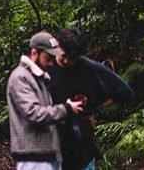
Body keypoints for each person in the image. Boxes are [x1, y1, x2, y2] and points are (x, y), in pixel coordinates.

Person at [47, 27, 134, 170]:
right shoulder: (45, 65)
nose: (67, 61)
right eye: (64, 55)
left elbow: (125, 92)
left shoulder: (88, 68)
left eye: (72, 58)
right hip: (51, 147)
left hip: (81, 146)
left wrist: (92, 108)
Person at [7, 31, 86, 170]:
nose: (51, 63)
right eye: (48, 58)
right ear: (34, 53)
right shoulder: (20, 77)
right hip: (33, 156)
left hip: (48, 153)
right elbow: (34, 113)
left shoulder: (39, 77)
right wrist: (66, 109)